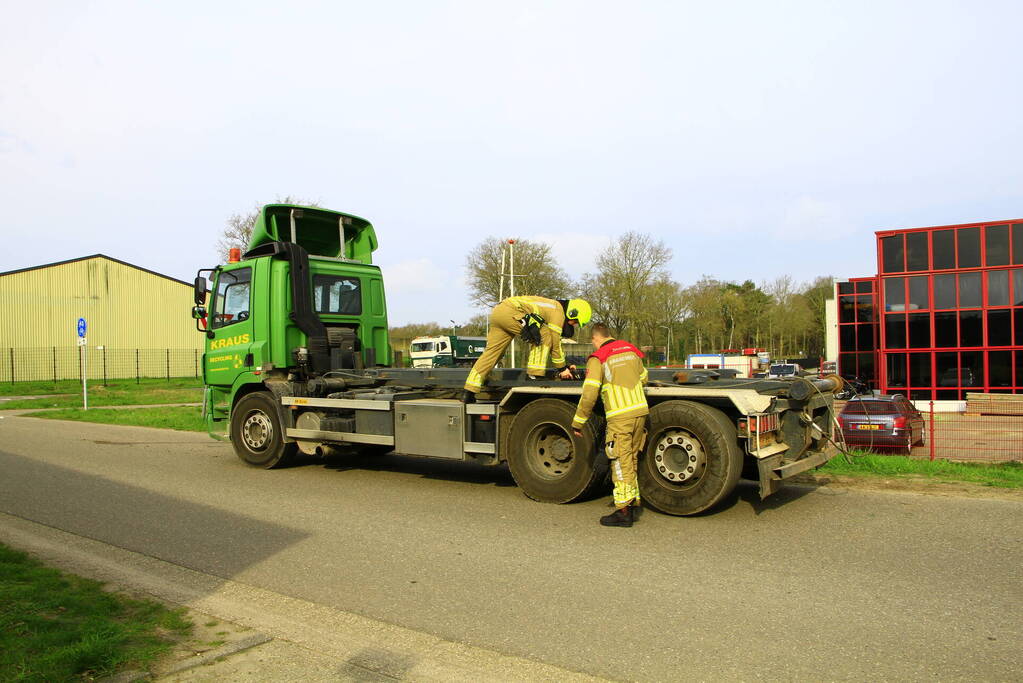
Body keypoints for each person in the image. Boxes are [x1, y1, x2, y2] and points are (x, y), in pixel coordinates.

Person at [571, 323, 648, 527]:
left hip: (620, 416)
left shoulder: (599, 357)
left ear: (595, 339)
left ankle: (624, 511)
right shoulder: (630, 349)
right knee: (630, 459)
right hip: (640, 412)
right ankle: (633, 501)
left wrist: (578, 422)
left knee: (619, 463)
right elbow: (644, 377)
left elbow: (589, 394)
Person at [462, 296, 591, 403]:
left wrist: (563, 366)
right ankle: (534, 374)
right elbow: (555, 343)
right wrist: (562, 369)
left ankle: (469, 391)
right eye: (575, 322)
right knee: (544, 335)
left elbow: (554, 345)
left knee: (492, 353)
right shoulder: (558, 311)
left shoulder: (552, 305)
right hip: (511, 311)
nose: (574, 325)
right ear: (572, 312)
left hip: (499, 312)